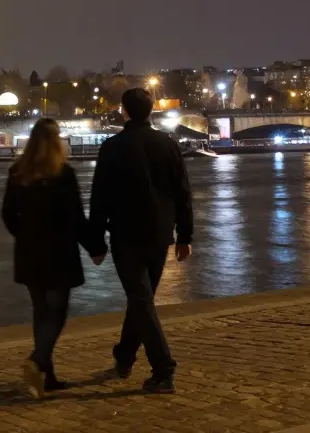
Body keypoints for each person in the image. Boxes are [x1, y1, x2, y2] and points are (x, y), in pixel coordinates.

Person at [88, 88, 194, 394]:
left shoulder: (112, 147)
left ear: (124, 111)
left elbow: (100, 199)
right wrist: (185, 236)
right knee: (141, 300)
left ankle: (163, 368)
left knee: (141, 300)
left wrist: (96, 244)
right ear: (151, 111)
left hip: (126, 235)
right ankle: (124, 357)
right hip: (161, 235)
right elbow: (183, 193)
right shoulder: (168, 144)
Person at [1, 118, 106, 399]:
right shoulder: (63, 174)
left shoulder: (16, 172)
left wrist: (24, 236)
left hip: (29, 253)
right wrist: (96, 246)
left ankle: (47, 377)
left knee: (40, 312)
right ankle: (37, 360)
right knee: (57, 313)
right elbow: (75, 218)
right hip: (58, 252)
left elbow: (8, 216)